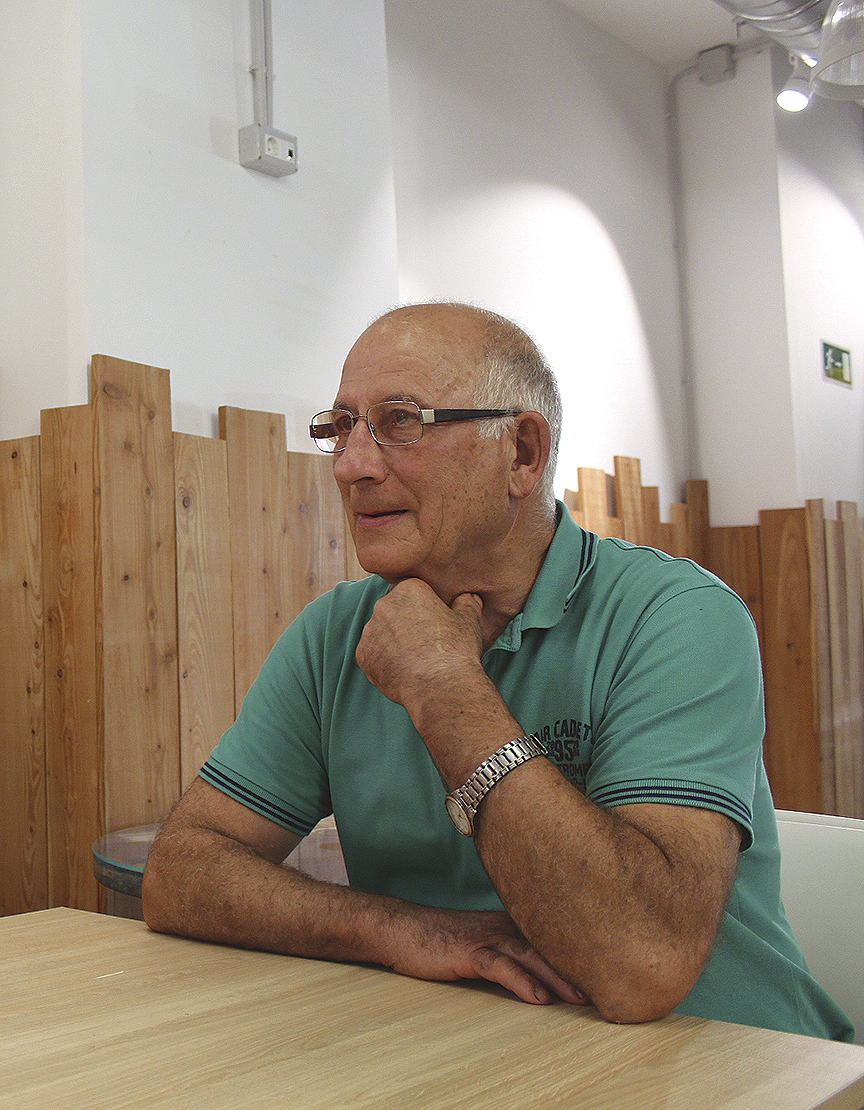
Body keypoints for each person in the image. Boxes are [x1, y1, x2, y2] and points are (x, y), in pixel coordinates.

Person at [142, 302, 853, 1041]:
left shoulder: (677, 617)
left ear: (521, 453)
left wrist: (445, 688)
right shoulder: (334, 635)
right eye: (341, 427)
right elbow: (183, 873)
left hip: (738, 1062)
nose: (351, 466)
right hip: (476, 1060)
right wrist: (405, 930)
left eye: (399, 421)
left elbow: (641, 964)